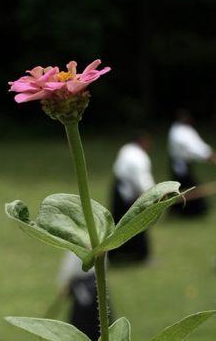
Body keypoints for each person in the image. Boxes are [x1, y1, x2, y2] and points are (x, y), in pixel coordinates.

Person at [110, 131, 155, 263]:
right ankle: (140, 256)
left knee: (117, 223)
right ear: (143, 141)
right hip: (128, 192)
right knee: (137, 224)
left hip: (118, 190)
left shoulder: (127, 149)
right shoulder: (139, 157)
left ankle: (114, 255)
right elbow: (141, 179)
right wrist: (153, 195)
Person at [167, 110, 216, 217]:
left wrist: (209, 153)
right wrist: (207, 155)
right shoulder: (177, 132)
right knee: (184, 187)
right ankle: (186, 210)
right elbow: (191, 148)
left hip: (186, 164)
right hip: (179, 164)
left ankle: (181, 210)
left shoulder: (187, 130)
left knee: (183, 187)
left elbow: (197, 143)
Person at [56, 251, 101, 339]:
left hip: (84, 284)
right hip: (92, 281)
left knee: (83, 318)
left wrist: (65, 282)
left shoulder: (77, 250)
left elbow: (70, 267)